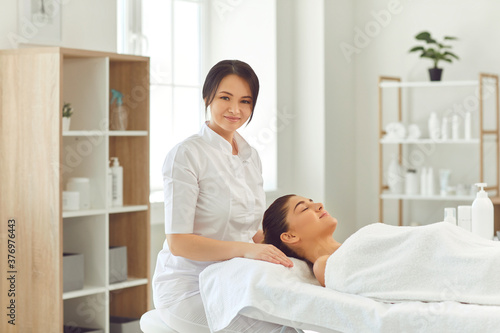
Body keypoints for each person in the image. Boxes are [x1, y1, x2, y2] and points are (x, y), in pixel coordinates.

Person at [153, 60, 297, 333]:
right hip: (189, 287)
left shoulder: (249, 155)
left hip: (234, 279)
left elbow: (252, 231)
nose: (235, 109)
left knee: (296, 319)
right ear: (207, 97)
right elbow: (179, 243)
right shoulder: (186, 155)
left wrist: (290, 254)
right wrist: (247, 250)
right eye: (225, 98)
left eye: (245, 101)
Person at [263, 194, 500, 305]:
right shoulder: (325, 265)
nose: (318, 205)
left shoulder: (348, 249)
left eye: (313, 201)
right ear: (290, 236)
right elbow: (400, 274)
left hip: (457, 246)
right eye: (304, 208)